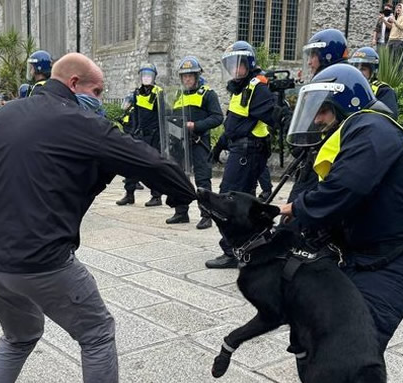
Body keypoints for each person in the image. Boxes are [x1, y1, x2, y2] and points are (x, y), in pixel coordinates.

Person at [0, 52, 195, 383]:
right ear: (75, 84)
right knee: (96, 332)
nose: (99, 97)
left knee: (18, 336)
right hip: (43, 261)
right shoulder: (83, 122)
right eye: (97, 90)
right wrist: (191, 194)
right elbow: (150, 162)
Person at [273, 64, 403, 383]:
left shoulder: (372, 128)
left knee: (345, 346)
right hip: (370, 253)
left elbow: (344, 189)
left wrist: (294, 210)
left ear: (343, 101)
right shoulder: (357, 130)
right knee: (315, 326)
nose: (317, 119)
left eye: (322, 109)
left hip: (401, 260)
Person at [205, 41, 285, 268]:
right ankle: (247, 248)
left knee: (227, 200)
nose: (234, 69)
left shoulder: (256, 87)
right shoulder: (241, 89)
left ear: (248, 64)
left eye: (238, 64)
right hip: (242, 149)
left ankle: (231, 251)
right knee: (244, 203)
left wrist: (288, 121)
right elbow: (234, 123)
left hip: (248, 151)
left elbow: (271, 113)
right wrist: (219, 145)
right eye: (230, 65)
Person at [287, 29, 349, 204]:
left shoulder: (337, 86)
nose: (309, 62)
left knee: (297, 217)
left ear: (327, 56)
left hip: (326, 164)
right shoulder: (323, 84)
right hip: (311, 159)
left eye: (313, 55)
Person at [165, 56, 223, 229]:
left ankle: (206, 215)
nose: (187, 79)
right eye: (184, 76)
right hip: (180, 144)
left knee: (202, 180)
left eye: (190, 75)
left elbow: (217, 117)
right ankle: (181, 212)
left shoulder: (207, 93)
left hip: (199, 142)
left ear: (197, 76)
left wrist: (196, 125)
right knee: (179, 177)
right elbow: (171, 117)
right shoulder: (178, 95)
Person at [116, 63, 165, 207]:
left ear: (154, 77)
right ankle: (129, 194)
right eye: (144, 75)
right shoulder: (137, 93)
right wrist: (134, 130)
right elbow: (136, 113)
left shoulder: (158, 92)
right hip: (140, 134)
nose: (146, 78)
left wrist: (160, 136)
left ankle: (156, 196)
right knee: (131, 163)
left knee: (154, 166)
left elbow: (163, 116)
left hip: (154, 136)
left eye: (149, 75)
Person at [349, 46, 399, 117]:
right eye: (355, 68)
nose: (358, 72)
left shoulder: (384, 91)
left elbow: (389, 118)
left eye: (363, 69)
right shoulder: (349, 89)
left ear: (373, 71)